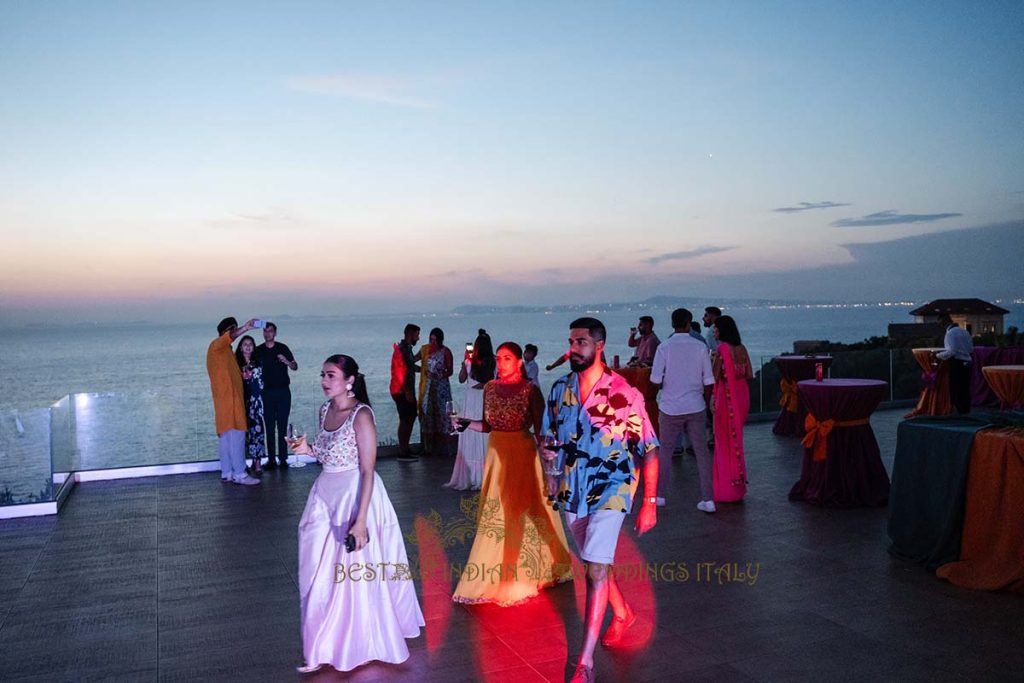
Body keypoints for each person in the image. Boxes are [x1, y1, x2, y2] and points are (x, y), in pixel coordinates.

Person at [541, 318, 659, 683]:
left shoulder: (624, 393)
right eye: (571, 341)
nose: (573, 348)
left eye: (581, 342)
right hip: (572, 491)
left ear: (600, 344)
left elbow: (650, 449)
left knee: (594, 569)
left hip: (612, 488)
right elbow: (548, 439)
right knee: (595, 563)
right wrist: (550, 476)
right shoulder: (560, 389)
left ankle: (585, 663)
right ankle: (622, 611)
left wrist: (650, 501)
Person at [291, 354, 424, 674]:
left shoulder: (362, 415)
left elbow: (367, 469)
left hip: (356, 495)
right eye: (323, 375)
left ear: (349, 380)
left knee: (352, 570)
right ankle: (327, 639)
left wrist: (361, 520)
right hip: (325, 495)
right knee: (319, 569)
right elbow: (326, 454)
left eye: (331, 375)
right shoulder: (325, 409)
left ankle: (359, 641)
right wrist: (306, 450)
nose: (324, 381)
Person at [452, 342, 573, 605]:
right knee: (496, 514)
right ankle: (496, 571)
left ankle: (521, 573)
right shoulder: (490, 388)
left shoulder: (530, 390)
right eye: (498, 358)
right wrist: (465, 424)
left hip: (522, 453)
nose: (501, 362)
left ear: (519, 361)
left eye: (507, 358)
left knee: (522, 512)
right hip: (496, 453)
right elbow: (487, 425)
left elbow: (542, 432)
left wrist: (551, 469)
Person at [651, 309, 715, 510]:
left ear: (672, 324)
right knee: (702, 453)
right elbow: (709, 380)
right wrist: (704, 400)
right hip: (695, 406)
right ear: (689, 323)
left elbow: (655, 380)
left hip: (670, 407)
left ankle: (660, 496)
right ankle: (708, 499)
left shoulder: (664, 347)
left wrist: (666, 386)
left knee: (665, 453)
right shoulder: (700, 347)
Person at [206, 317, 261, 485]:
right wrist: (246, 327)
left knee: (226, 438)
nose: (234, 333)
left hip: (225, 400)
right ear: (226, 332)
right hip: (229, 401)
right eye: (233, 330)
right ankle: (240, 473)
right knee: (237, 436)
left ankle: (227, 472)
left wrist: (241, 376)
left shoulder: (225, 352)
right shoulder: (217, 346)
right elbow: (231, 336)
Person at [711, 315, 753, 505]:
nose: (714, 331)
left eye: (716, 328)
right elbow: (749, 374)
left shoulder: (722, 350)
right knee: (736, 440)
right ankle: (738, 486)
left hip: (726, 397)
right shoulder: (741, 349)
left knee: (724, 442)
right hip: (742, 394)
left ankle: (726, 489)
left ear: (723, 330)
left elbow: (714, 375)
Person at [444, 330, 494, 490]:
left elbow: (461, 379)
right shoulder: (494, 362)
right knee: (484, 433)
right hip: (485, 400)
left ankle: (472, 475)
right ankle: (486, 473)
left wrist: (465, 362)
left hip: (471, 400)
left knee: (469, 433)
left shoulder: (470, 361)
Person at [256, 322, 298, 468]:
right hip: (266, 392)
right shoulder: (259, 350)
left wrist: (286, 361)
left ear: (275, 333)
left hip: (283, 392)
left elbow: (295, 366)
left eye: (270, 331)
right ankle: (272, 459)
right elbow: (252, 366)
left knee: (282, 425)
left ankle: (283, 459)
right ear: (263, 333)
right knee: (269, 426)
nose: (268, 333)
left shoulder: (282, 348)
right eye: (265, 331)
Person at [417, 327, 454, 456]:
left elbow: (450, 370)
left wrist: (440, 375)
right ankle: (429, 448)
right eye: (431, 339)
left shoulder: (445, 351)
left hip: (441, 386)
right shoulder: (426, 350)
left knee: (443, 414)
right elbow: (414, 360)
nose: (433, 342)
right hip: (429, 386)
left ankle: (444, 448)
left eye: (435, 340)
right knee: (428, 415)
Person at [235, 335, 266, 477]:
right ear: (240, 347)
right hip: (242, 402)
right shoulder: (236, 364)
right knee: (243, 434)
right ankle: (243, 463)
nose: (248, 346)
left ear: (253, 347)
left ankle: (257, 462)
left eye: (250, 344)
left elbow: (262, 382)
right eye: (245, 344)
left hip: (257, 402)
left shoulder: (258, 362)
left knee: (258, 432)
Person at [390, 324, 421, 462]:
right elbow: (399, 372)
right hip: (401, 390)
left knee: (409, 418)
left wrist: (423, 369)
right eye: (416, 335)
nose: (418, 338)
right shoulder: (402, 350)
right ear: (410, 335)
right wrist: (407, 391)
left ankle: (405, 448)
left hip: (403, 390)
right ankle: (403, 451)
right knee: (405, 419)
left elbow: (409, 367)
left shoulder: (406, 349)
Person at [935, 314, 973, 414]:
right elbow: (970, 349)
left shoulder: (950, 334)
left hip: (957, 363)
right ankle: (966, 411)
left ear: (944, 323)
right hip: (968, 363)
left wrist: (938, 355)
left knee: (956, 388)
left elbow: (951, 351)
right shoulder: (965, 332)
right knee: (965, 389)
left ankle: (958, 412)